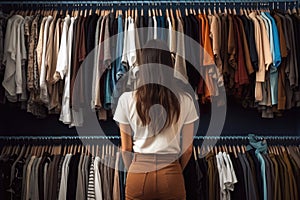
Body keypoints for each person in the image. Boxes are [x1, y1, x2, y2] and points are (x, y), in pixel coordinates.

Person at [113, 39, 199, 200]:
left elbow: (125, 148)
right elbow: (187, 149)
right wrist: (175, 169)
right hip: (171, 173)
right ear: (169, 65)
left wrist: (135, 168)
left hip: (138, 172)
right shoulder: (185, 99)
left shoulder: (125, 100)